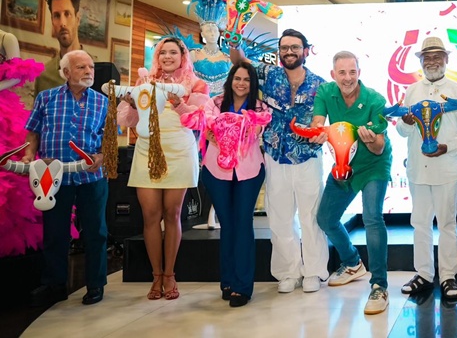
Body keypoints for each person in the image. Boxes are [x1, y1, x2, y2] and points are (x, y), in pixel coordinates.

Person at [230, 29, 330, 294]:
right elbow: (240, 62)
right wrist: (232, 38)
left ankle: (314, 272)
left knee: (311, 217)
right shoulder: (267, 75)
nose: (289, 52)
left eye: (295, 47)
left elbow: (329, 118)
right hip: (275, 155)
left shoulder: (321, 85)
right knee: (280, 217)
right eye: (284, 47)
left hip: (308, 157)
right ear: (279, 52)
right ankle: (288, 272)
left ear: (305, 51)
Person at [117, 36, 209, 301]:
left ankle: (169, 275)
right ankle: (155, 276)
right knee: (150, 216)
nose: (168, 57)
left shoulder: (196, 83)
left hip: (179, 150)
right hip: (147, 150)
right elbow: (128, 120)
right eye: (163, 53)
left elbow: (199, 120)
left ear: (182, 56)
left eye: (173, 52)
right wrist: (133, 105)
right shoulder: (143, 82)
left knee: (173, 213)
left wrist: (178, 103)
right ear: (157, 56)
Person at [23, 50, 108, 306]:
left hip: (91, 177)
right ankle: (55, 284)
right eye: (81, 67)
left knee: (96, 232)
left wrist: (102, 156)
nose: (89, 72)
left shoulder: (103, 102)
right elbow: (33, 132)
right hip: (53, 175)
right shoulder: (45, 98)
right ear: (67, 72)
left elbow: (110, 141)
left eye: (91, 67)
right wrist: (28, 155)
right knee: (55, 232)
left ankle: (95, 285)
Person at [394, 37, 457, 302]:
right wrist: (405, 122)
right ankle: (424, 275)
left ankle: (449, 277)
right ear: (420, 61)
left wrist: (447, 148)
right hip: (418, 170)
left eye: (437, 57)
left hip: (448, 168)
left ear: (447, 59)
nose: (432, 62)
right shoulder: (411, 91)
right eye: (427, 58)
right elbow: (403, 131)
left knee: (447, 223)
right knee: (420, 224)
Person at [313, 51, 392, 315]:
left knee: (372, 217)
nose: (347, 78)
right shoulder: (326, 92)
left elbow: (380, 148)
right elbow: (317, 123)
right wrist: (317, 133)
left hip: (373, 165)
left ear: (360, 73)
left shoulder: (375, 100)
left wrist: (371, 139)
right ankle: (352, 262)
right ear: (333, 74)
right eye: (342, 73)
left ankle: (379, 286)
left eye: (352, 72)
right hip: (343, 165)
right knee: (325, 219)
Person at [198, 62, 269, 307]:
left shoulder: (259, 107)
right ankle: (227, 281)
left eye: (247, 80)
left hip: (248, 172)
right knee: (227, 225)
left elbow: (256, 132)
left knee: (242, 223)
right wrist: (208, 132)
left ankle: (242, 287)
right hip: (216, 172)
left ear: (253, 84)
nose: (241, 84)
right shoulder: (214, 103)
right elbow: (204, 126)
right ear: (230, 80)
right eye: (237, 79)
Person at [35, 0, 86, 95]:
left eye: (67, 14)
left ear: (77, 19)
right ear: (52, 21)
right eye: (57, 16)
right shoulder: (43, 76)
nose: (62, 23)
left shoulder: (98, 71)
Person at [192, 22, 232, 98]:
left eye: (215, 31)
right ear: (202, 35)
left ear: (219, 33)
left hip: (222, 101)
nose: (212, 34)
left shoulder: (227, 58)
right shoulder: (193, 54)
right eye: (208, 31)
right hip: (198, 99)